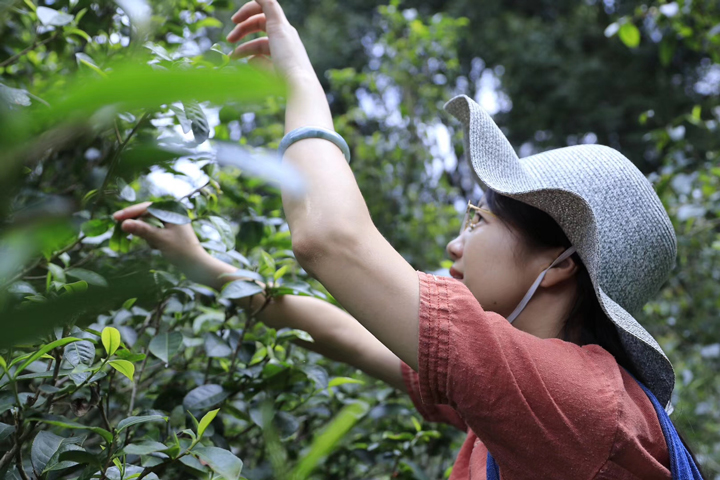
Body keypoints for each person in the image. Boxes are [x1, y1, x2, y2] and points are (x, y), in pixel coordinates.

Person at [113, 1, 705, 478]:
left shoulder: (573, 401)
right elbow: (349, 331)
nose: (455, 244)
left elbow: (328, 238)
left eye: (478, 219)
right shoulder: (520, 396)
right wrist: (203, 265)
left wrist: (301, 83)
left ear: (559, 264)